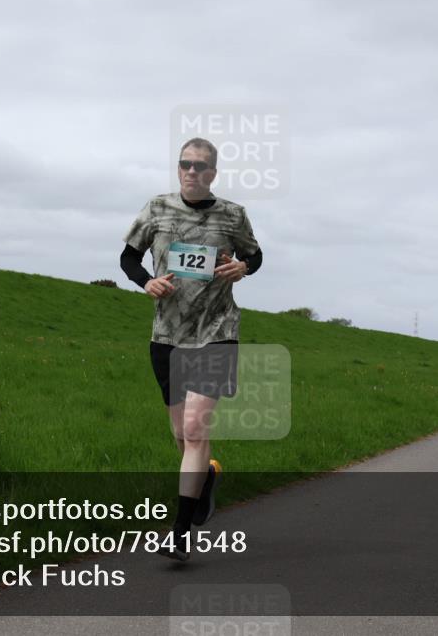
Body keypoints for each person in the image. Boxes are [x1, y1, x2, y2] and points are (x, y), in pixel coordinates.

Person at [120, 137, 263, 562]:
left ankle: (180, 534)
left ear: (213, 173)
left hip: (218, 330)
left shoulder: (233, 215)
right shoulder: (156, 209)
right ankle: (206, 480)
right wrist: (146, 281)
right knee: (182, 436)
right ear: (178, 168)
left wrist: (244, 266)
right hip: (167, 335)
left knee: (197, 428)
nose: (191, 172)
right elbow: (128, 257)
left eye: (200, 166)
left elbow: (254, 256)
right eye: (185, 164)